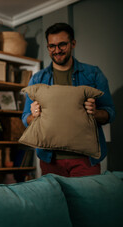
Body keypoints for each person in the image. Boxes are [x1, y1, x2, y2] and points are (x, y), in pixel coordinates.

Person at [22, 22, 115, 177]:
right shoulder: (38, 79)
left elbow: (110, 112)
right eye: (52, 46)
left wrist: (95, 113)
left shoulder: (93, 74)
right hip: (50, 160)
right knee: (55, 202)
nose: (57, 50)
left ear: (73, 44)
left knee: (86, 201)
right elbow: (26, 118)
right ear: (48, 47)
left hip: (86, 159)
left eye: (62, 45)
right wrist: (34, 116)